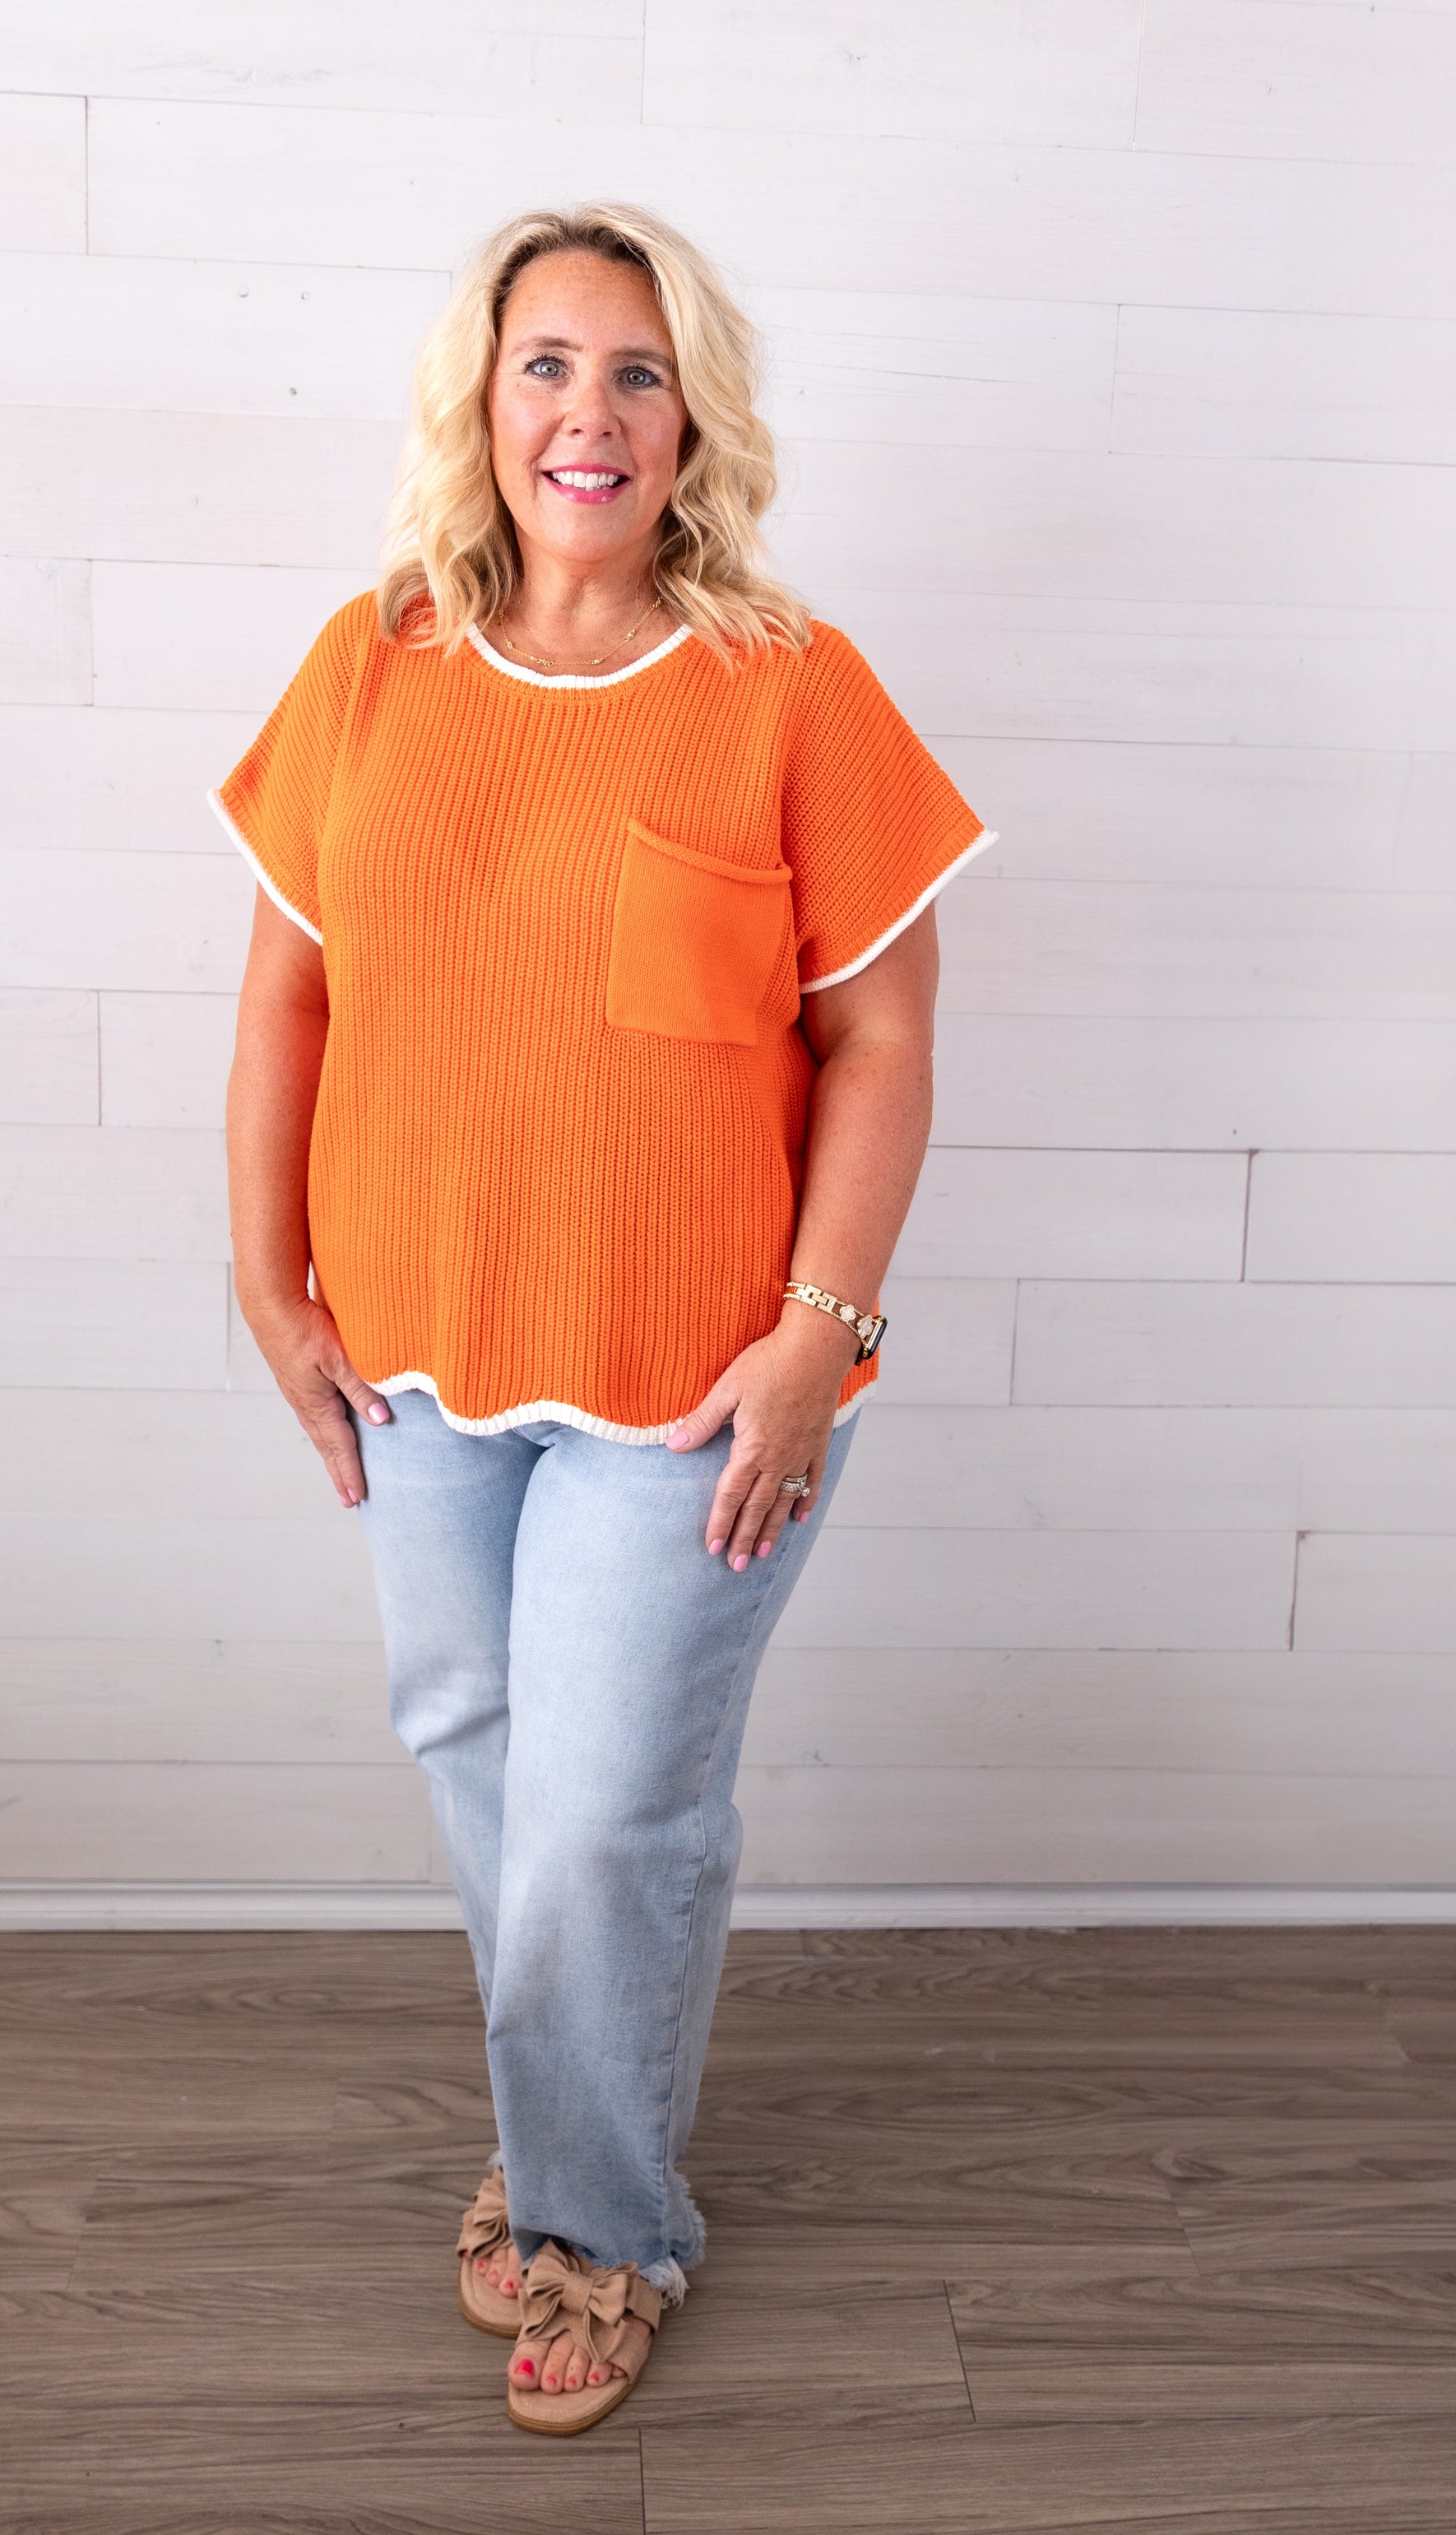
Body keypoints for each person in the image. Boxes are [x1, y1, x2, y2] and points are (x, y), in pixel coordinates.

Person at [216, 202, 997, 2434]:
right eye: (547, 363)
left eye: (638, 372)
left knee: (605, 1814)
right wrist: (264, 1276)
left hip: (703, 1387)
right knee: (481, 1747)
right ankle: (572, 2138)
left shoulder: (790, 687)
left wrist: (820, 1337)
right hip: (416, 1349)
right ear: (483, 401)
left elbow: (883, 1040)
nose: (590, 411)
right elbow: (289, 997)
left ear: (692, 421)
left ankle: (602, 2224)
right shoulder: (374, 664)